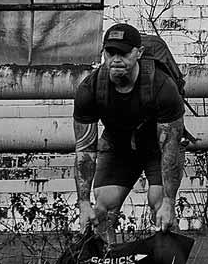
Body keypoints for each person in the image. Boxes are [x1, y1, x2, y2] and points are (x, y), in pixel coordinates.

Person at [72, 23, 186, 240]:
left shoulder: (162, 88)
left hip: (156, 147)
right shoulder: (90, 89)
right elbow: (85, 151)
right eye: (110, 52)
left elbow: (171, 150)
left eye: (124, 53)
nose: (116, 59)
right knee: (102, 209)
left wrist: (170, 202)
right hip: (118, 145)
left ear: (139, 53)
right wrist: (84, 203)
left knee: (160, 205)